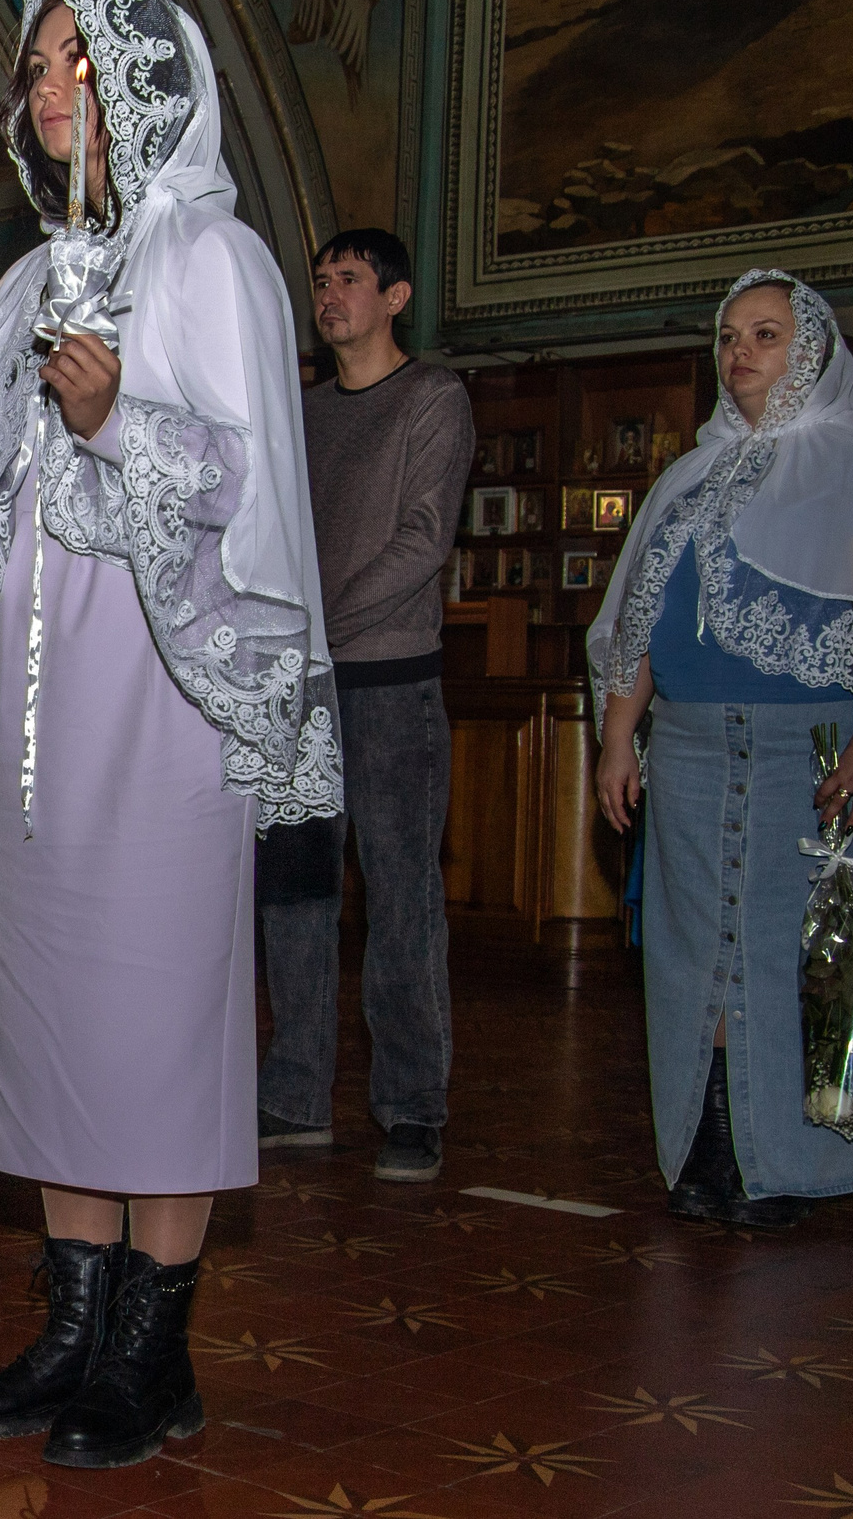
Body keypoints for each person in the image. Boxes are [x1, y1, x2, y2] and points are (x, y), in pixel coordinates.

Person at [0, 0, 339, 1468]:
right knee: (50, 1016)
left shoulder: (214, 262)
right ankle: (72, 1320)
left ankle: (157, 1347)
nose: (45, 83)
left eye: (76, 59)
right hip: (30, 685)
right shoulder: (28, 280)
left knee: (159, 1013)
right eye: (34, 62)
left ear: (147, 80)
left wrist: (115, 420)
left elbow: (249, 492)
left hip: (164, 684)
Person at [590, 269, 853, 1229]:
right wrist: (618, 736)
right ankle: (706, 1149)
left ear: (812, 351)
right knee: (688, 955)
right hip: (688, 746)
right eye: (730, 336)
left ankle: (785, 1167)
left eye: (766, 334)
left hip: (812, 745)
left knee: (795, 954)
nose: (741, 352)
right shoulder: (685, 476)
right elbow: (638, 622)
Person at [256, 229, 471, 1183]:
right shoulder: (299, 414)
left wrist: (321, 621)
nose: (329, 293)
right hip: (300, 692)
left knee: (400, 895)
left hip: (388, 682)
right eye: (321, 279)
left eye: (349, 279)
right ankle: (296, 1094)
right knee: (297, 896)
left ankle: (414, 1105)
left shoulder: (433, 397)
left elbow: (425, 540)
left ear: (397, 296)